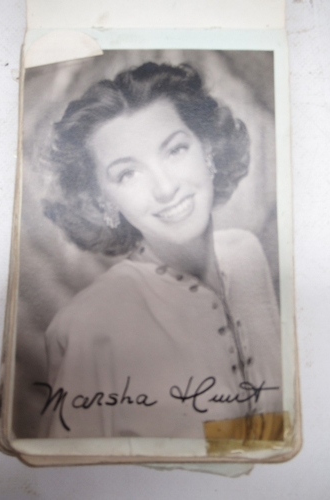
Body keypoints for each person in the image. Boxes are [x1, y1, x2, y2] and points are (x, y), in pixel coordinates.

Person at [39, 62, 282, 439]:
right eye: (128, 174)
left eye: (175, 150)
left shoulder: (246, 254)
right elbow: (73, 470)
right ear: (104, 201)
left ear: (208, 151)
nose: (165, 188)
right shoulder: (90, 324)